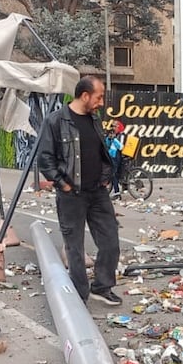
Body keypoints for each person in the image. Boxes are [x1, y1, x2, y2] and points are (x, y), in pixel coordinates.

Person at [36, 76, 121, 307]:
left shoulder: (94, 120)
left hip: (97, 193)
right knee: (75, 247)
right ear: (85, 95)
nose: (102, 102)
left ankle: (102, 287)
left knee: (111, 240)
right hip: (71, 195)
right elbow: (44, 158)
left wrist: (105, 177)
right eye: (99, 96)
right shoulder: (55, 121)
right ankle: (80, 296)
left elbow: (101, 151)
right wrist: (62, 183)